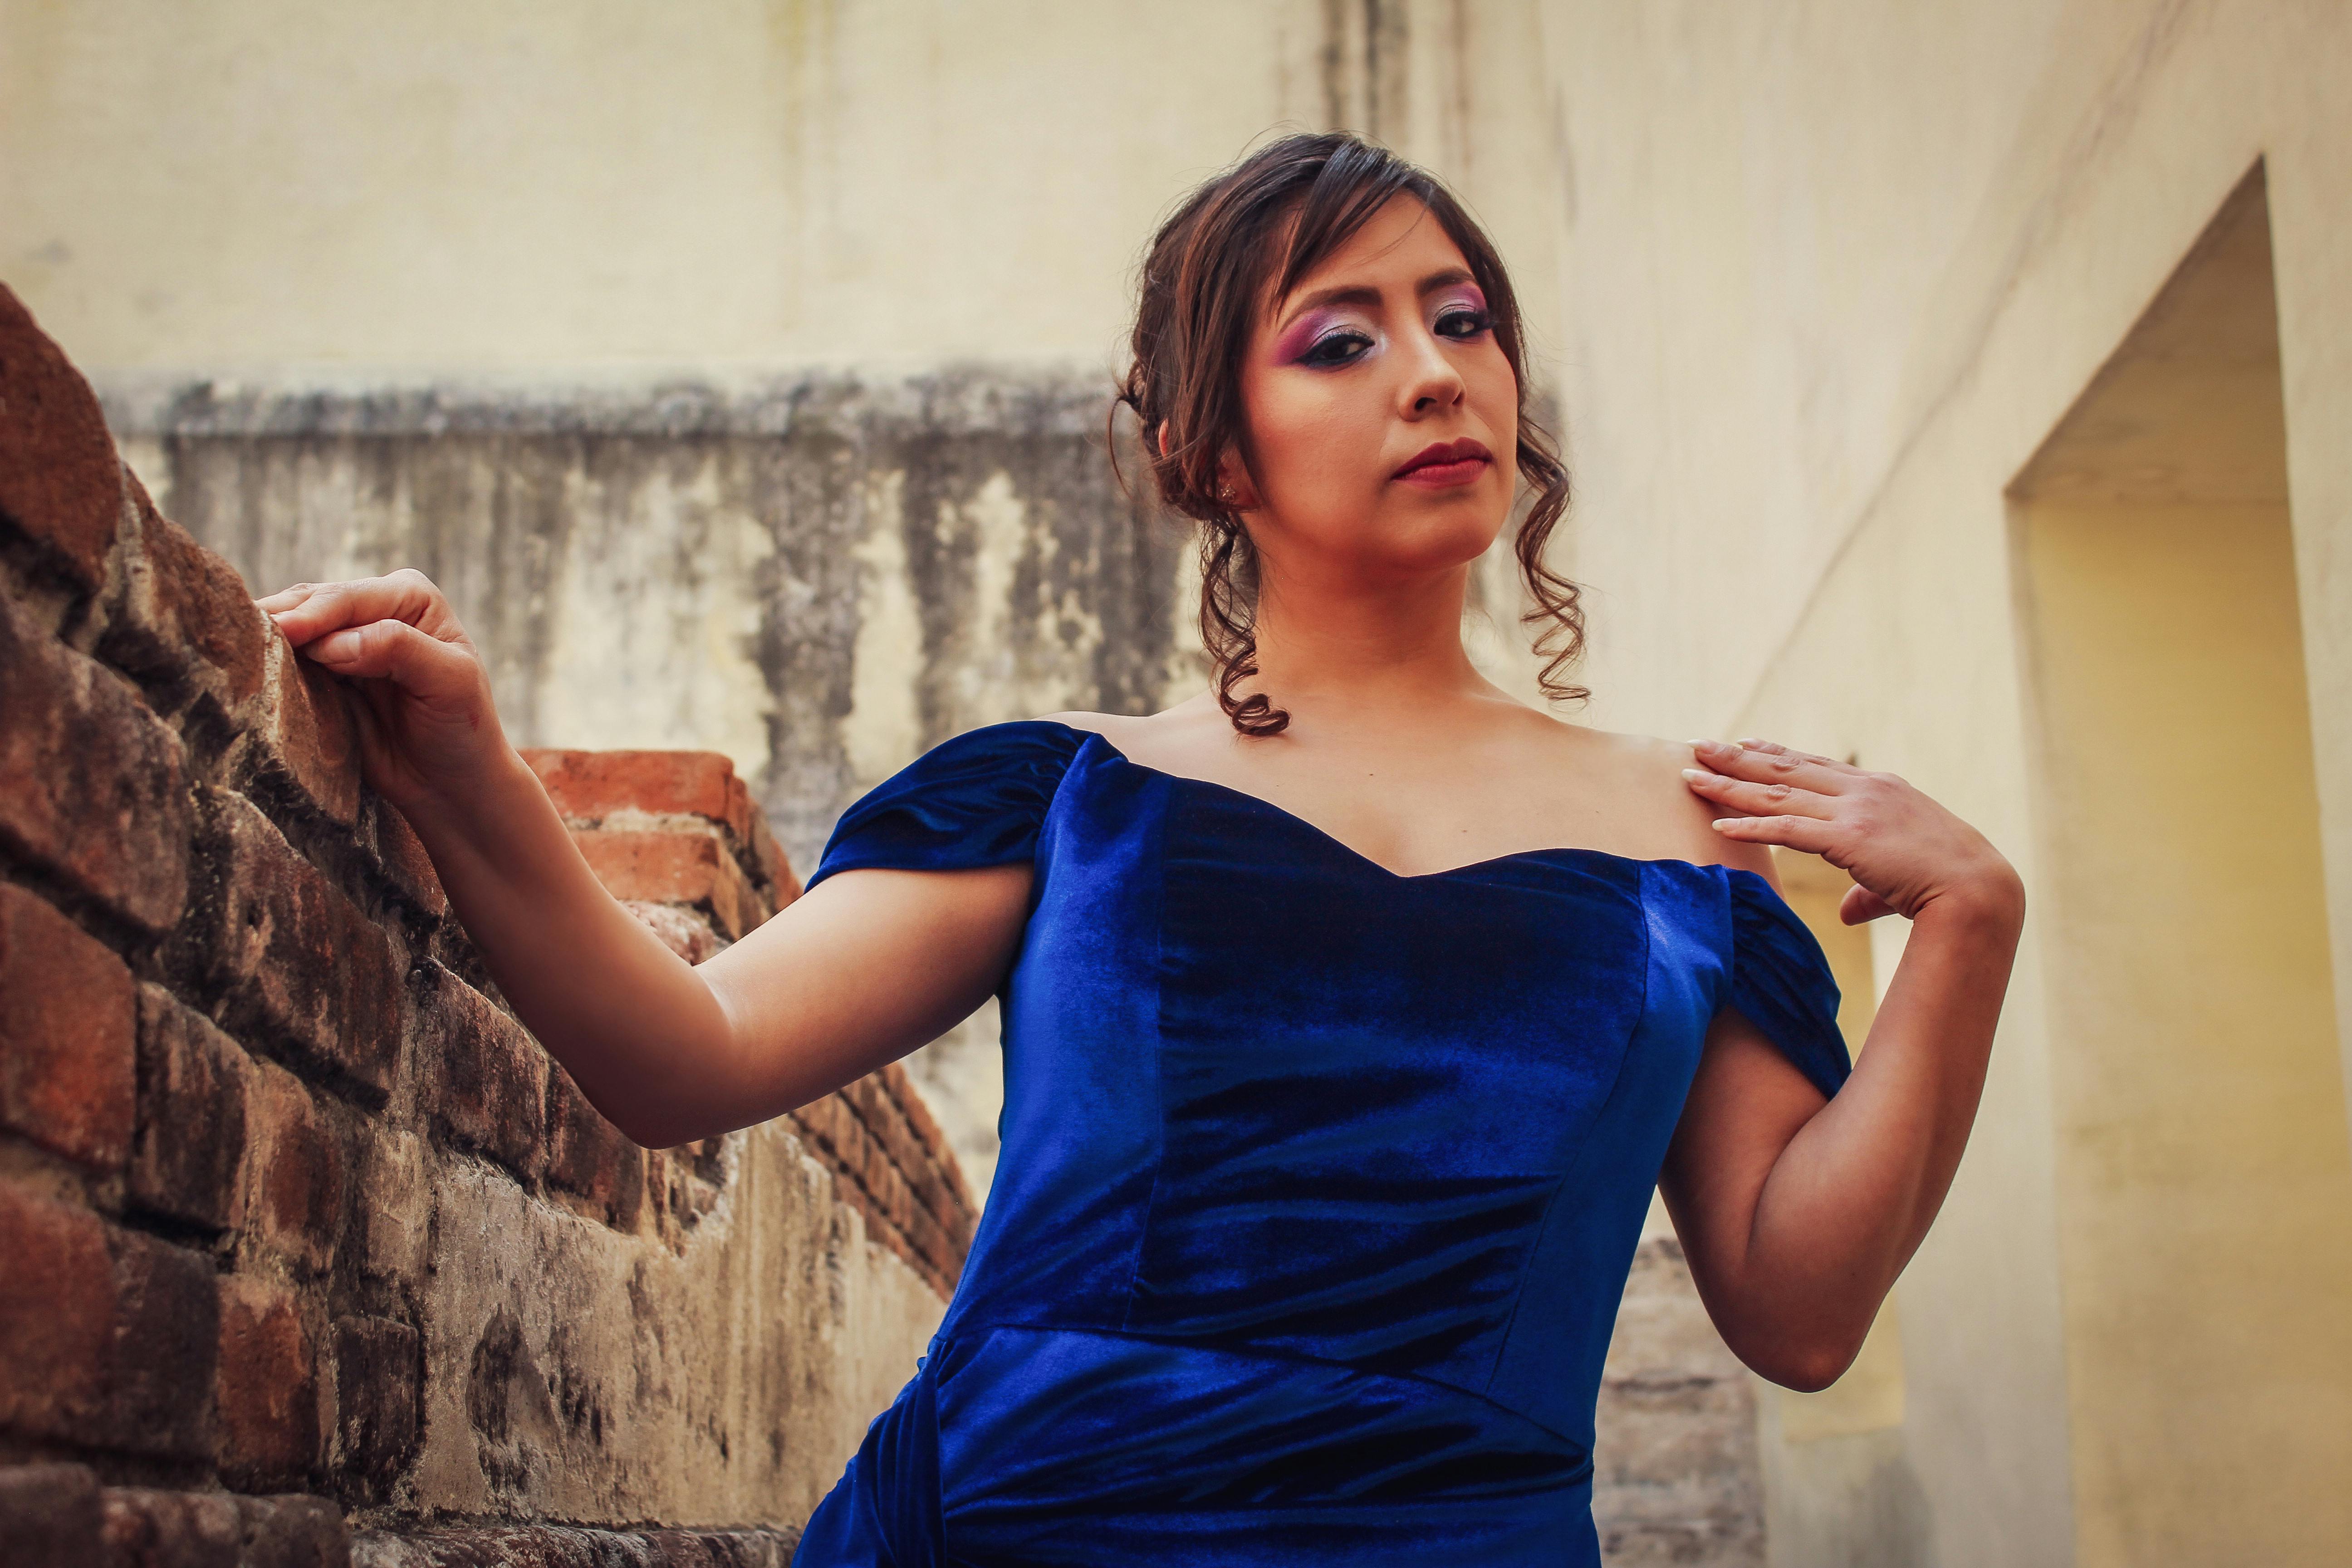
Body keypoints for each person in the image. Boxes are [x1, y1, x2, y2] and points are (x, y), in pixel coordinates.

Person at [258, 132, 2023, 1566]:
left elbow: (1797, 1314)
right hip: (1008, 1530)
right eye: (1342, 338)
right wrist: (464, 766)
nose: (1432, 374)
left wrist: (1971, 920)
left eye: (1463, 319)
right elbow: (686, 1060)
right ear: (1201, 443)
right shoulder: (1065, 795)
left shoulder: (1693, 842)